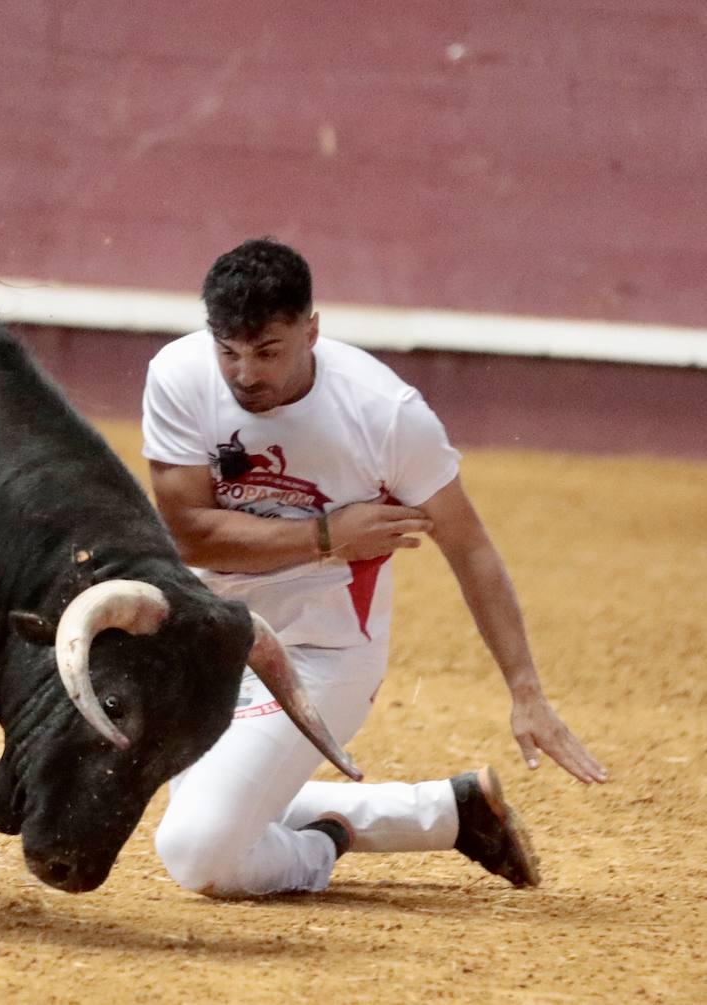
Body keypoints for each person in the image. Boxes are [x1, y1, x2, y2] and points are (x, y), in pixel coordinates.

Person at [142, 237, 607, 897]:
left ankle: (321, 848)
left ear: (312, 330)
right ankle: (448, 811)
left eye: (267, 351)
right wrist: (326, 534)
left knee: (195, 849)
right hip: (214, 642)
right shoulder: (179, 374)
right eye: (229, 352)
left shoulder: (385, 415)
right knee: (203, 813)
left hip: (321, 655)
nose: (245, 375)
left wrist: (526, 690)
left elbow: (469, 545)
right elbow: (189, 532)